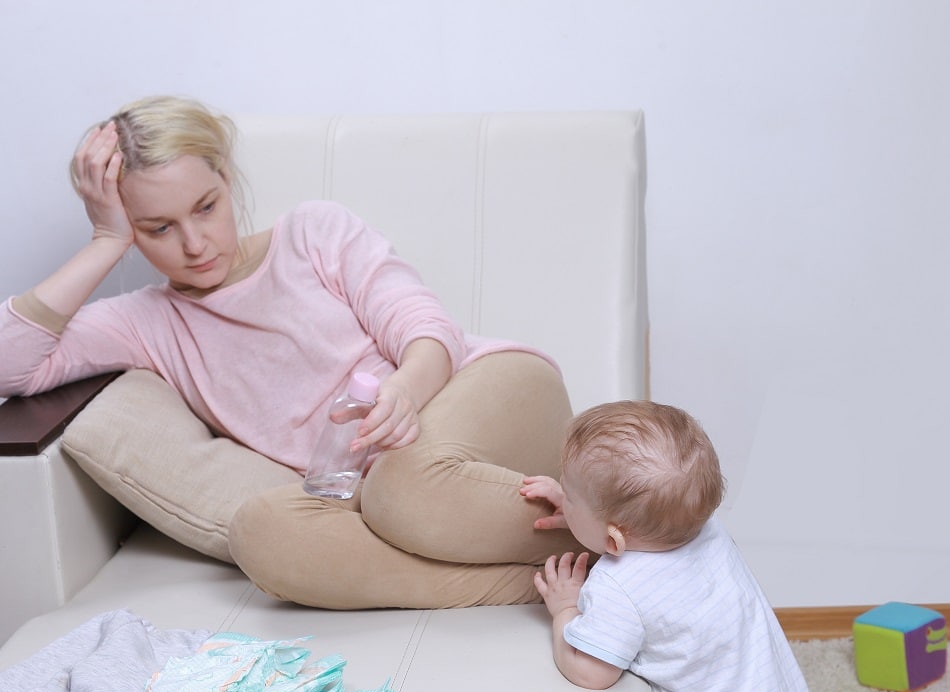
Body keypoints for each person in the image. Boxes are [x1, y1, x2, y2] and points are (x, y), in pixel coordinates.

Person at [0, 95, 583, 609]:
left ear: (226, 179)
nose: (195, 244)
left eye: (206, 207)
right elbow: (10, 365)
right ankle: (543, 576)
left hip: (482, 392)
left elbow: (426, 327)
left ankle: (619, 535)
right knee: (262, 534)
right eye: (158, 228)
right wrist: (106, 241)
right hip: (385, 499)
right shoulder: (145, 322)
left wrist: (405, 390)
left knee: (402, 488)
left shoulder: (314, 233)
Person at [520, 400, 860, 692]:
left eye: (568, 493)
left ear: (612, 539)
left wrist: (565, 607)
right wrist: (580, 508)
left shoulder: (617, 587)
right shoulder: (709, 533)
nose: (563, 496)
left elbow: (592, 671)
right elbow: (641, 536)